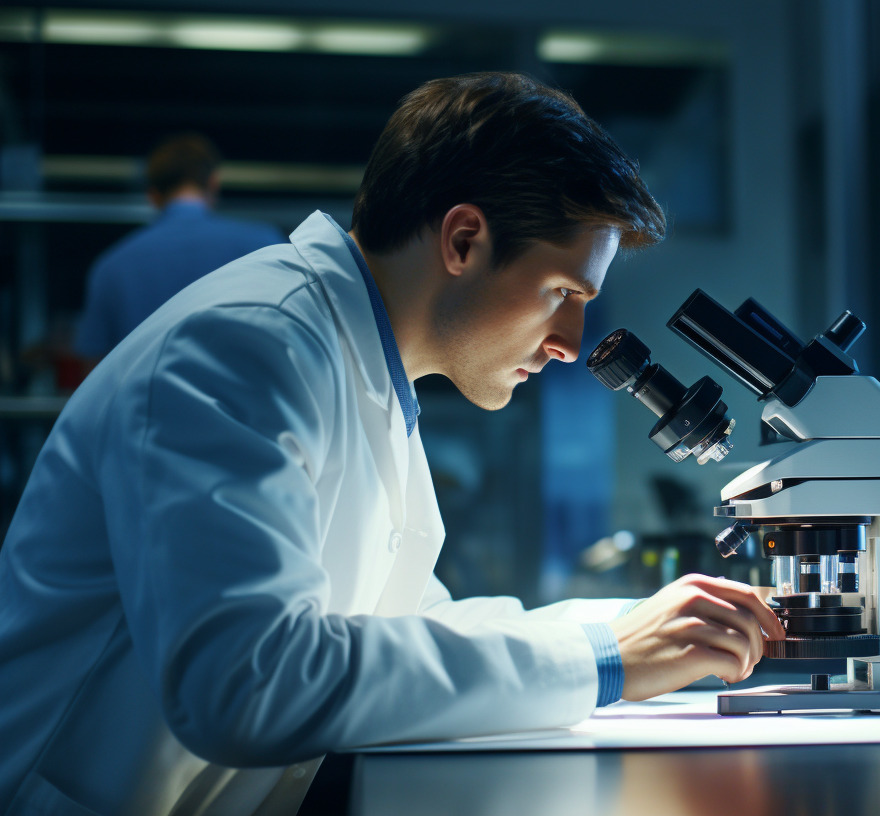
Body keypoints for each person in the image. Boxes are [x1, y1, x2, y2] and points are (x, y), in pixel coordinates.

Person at [0, 72, 784, 814]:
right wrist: (604, 663)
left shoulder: (358, 367)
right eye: (561, 292)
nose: (572, 344)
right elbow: (246, 685)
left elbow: (402, 631)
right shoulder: (247, 346)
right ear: (465, 240)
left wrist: (622, 630)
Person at [72, 132, 282, 362]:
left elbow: (92, 372)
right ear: (213, 183)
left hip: (147, 399)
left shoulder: (110, 267)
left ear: (152, 196)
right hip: (245, 398)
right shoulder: (266, 246)